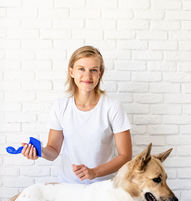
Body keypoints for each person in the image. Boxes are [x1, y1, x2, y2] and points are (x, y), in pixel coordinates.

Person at [21, 46, 132, 184]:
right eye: (81, 69)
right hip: (69, 187)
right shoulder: (61, 107)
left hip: (103, 189)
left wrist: (94, 172)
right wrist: (40, 152)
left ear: (100, 73)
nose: (87, 76)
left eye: (93, 70)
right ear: (71, 72)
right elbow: (53, 151)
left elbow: (125, 156)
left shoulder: (112, 107)